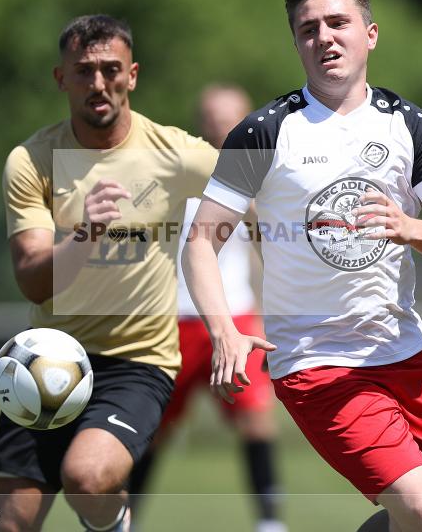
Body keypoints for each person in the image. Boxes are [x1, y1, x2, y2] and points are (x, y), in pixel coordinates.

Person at [182, 0, 422, 532]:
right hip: (317, 363)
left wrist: (410, 227)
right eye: (308, 28)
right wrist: (223, 329)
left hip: (405, 355)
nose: (325, 37)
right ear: (297, 42)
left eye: (338, 22)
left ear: (369, 33)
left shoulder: (409, 126)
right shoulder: (264, 131)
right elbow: (201, 240)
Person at [0, 14, 217, 532]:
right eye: (84, 70)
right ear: (61, 78)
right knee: (11, 523)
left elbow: (261, 194)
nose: (98, 83)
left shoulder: (174, 154)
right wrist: (86, 234)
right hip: (47, 355)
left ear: (132, 74)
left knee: (87, 478)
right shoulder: (33, 160)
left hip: (138, 360)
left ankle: (115, 523)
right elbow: (33, 281)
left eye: (111, 69)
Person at [127, 85, 287, 532]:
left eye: (230, 116)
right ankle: (124, 520)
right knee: (153, 430)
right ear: (200, 121)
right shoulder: (176, 176)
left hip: (234, 317)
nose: (222, 124)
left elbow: (272, 249)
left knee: (256, 419)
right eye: (212, 116)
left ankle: (270, 522)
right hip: (172, 321)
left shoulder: (259, 180)